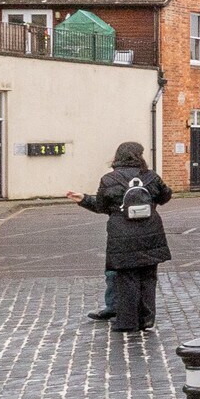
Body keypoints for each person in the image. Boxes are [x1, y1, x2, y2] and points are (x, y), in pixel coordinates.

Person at [66, 141, 171, 334]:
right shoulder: (151, 177)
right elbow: (165, 197)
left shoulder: (109, 179)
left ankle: (127, 322)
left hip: (122, 236)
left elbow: (101, 206)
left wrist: (83, 199)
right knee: (148, 278)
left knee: (126, 279)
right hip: (151, 235)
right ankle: (147, 319)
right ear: (139, 156)